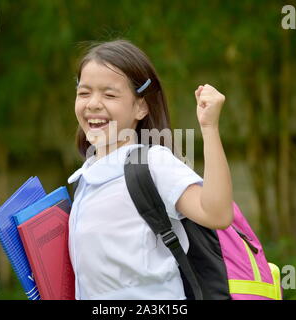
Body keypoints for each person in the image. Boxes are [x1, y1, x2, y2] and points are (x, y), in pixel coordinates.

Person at [67, 39, 233, 300]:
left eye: (109, 94)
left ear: (141, 106)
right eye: (84, 92)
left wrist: (210, 128)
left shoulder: (152, 165)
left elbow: (217, 214)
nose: (93, 104)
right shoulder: (85, 179)